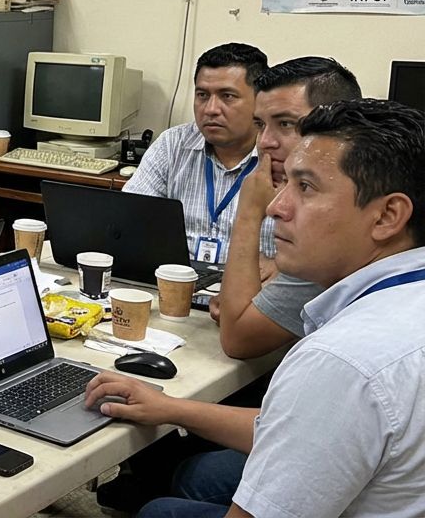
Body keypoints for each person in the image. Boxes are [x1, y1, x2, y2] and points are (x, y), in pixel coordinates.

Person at [87, 98, 425, 518]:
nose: (275, 207)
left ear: (388, 216)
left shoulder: (340, 361)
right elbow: (302, 429)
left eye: (305, 187)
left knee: (161, 512)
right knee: (196, 478)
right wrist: (170, 408)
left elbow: (323, 395)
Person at [214, 57, 361, 359]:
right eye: (260, 125)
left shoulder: (338, 209)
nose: (265, 142)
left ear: (335, 126)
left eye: (286, 124)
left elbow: (239, 339)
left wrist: (249, 213)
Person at [124, 43, 272, 266]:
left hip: (251, 281)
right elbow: (130, 218)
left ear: (260, 101)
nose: (211, 109)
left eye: (227, 96)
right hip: (176, 275)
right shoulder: (173, 144)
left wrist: (282, 266)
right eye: (202, 95)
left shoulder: (282, 154)